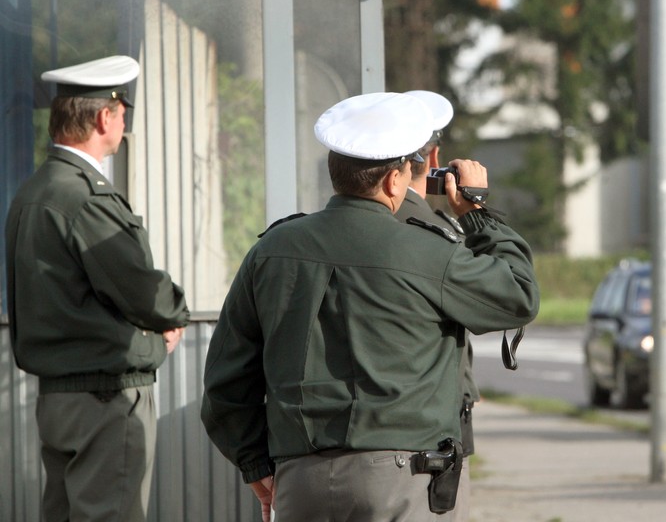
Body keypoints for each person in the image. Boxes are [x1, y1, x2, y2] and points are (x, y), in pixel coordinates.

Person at [200, 92, 539, 521]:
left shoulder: (271, 251)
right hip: (406, 481)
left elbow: (225, 380)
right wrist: (475, 211)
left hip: (299, 477)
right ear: (395, 181)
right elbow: (519, 294)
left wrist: (254, 463)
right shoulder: (428, 251)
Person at [4, 55, 190, 522]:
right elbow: (141, 291)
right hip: (105, 398)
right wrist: (172, 317)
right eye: (122, 108)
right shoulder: (84, 195)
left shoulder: (32, 192)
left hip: (59, 398)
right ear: (105, 116)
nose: (124, 119)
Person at [396, 89, 478, 521]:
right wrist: (476, 211)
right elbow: (515, 297)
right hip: (426, 446)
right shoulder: (435, 234)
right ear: (434, 159)